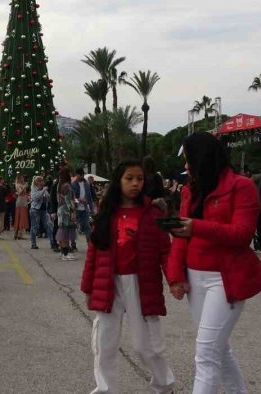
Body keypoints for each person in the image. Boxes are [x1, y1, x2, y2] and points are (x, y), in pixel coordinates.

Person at [166, 132, 261, 394]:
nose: (186, 166)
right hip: (195, 278)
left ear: (203, 158)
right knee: (218, 349)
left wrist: (197, 227)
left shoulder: (241, 186)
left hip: (226, 279)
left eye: (189, 160)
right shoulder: (190, 190)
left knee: (206, 354)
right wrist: (175, 276)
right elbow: (180, 237)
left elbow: (242, 234)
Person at [81, 160, 174, 394]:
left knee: (146, 346)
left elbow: (166, 252)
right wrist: (88, 287)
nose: (135, 183)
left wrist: (175, 280)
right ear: (118, 181)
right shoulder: (105, 212)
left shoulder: (153, 214)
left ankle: (164, 386)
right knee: (104, 344)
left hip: (140, 284)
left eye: (139, 179)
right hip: (108, 283)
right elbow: (93, 251)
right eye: (129, 178)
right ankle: (105, 389)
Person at [56, 168, 77, 261]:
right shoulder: (67, 186)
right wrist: (72, 211)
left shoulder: (59, 185)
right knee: (66, 232)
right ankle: (65, 253)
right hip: (66, 211)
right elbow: (69, 201)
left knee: (62, 231)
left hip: (60, 209)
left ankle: (63, 253)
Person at [72, 168, 95, 246]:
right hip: (76, 209)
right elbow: (71, 198)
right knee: (73, 226)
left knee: (87, 227)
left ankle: (90, 243)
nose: (79, 177)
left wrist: (92, 209)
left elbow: (90, 198)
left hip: (84, 209)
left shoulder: (86, 184)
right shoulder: (73, 184)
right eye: (78, 175)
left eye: (81, 175)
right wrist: (79, 200)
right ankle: (73, 243)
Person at [29, 175, 49, 250]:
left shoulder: (43, 189)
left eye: (42, 181)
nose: (42, 182)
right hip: (35, 209)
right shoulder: (34, 188)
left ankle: (53, 243)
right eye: (41, 181)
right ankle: (33, 244)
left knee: (48, 225)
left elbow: (48, 197)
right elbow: (36, 198)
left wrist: (45, 191)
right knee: (34, 227)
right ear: (37, 182)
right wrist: (43, 190)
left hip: (43, 210)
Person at [13, 175, 29, 240]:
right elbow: (19, 192)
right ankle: (18, 234)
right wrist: (24, 187)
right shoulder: (18, 184)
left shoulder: (21, 185)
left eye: (23, 178)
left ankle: (18, 234)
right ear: (19, 179)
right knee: (20, 218)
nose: (23, 179)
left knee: (21, 218)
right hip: (20, 203)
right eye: (21, 178)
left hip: (23, 202)